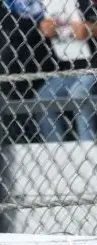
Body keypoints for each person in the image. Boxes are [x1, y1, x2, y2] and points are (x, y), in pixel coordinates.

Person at [35, 0, 97, 142]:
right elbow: (43, 26)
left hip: (94, 68)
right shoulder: (54, 2)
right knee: (44, 97)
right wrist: (44, 27)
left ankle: (88, 151)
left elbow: (86, 28)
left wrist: (88, 28)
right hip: (72, 67)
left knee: (79, 93)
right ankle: (55, 154)